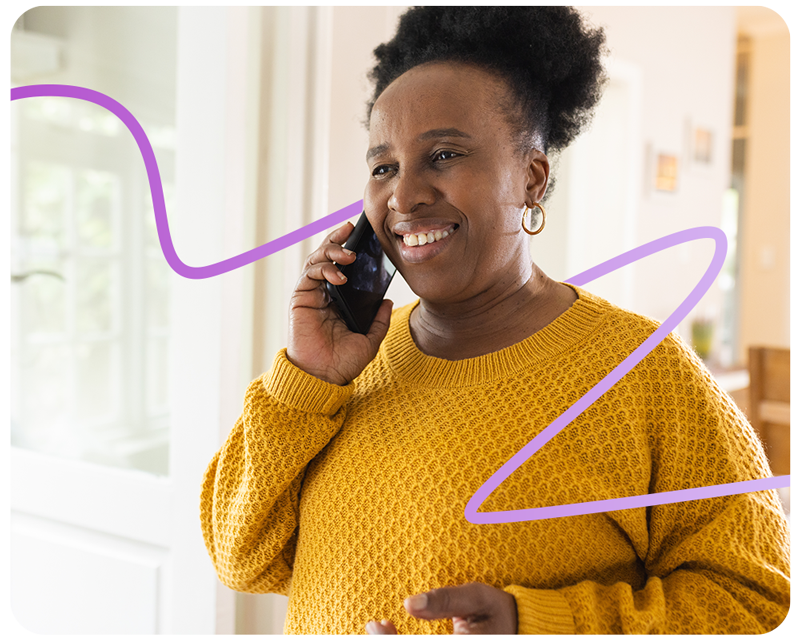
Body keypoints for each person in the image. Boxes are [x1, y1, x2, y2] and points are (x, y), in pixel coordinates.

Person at [200, 6, 791, 634]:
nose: (402, 197)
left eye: (445, 155)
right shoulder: (339, 371)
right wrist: (306, 379)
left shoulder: (643, 374)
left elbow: (760, 606)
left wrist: (536, 623)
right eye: (383, 166)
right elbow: (240, 559)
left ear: (532, 178)